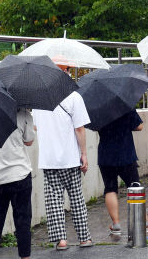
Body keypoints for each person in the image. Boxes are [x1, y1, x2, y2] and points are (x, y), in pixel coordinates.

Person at [32, 88, 93, 250]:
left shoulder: (37, 100)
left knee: (54, 201)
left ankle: (61, 240)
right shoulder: (74, 97)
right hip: (70, 157)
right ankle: (84, 238)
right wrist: (84, 154)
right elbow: (79, 128)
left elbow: (36, 127)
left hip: (49, 159)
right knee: (76, 198)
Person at [96, 109, 148, 235]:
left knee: (110, 188)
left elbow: (95, 126)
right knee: (134, 186)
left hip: (106, 154)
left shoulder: (98, 109)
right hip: (125, 152)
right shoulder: (124, 105)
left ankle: (116, 224)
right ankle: (145, 221)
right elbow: (139, 126)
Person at [0, 109, 36, 259]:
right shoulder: (22, 113)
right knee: (23, 221)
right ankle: (25, 257)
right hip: (19, 175)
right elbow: (29, 141)